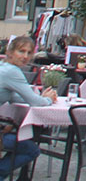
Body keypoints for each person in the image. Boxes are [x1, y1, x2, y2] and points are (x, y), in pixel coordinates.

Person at [0, 36, 56, 178]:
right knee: (31, 150)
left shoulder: (4, 67)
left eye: (29, 52)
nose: (25, 56)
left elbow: (16, 97)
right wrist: (47, 99)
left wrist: (41, 98)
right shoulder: (12, 71)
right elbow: (34, 102)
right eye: (21, 51)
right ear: (10, 52)